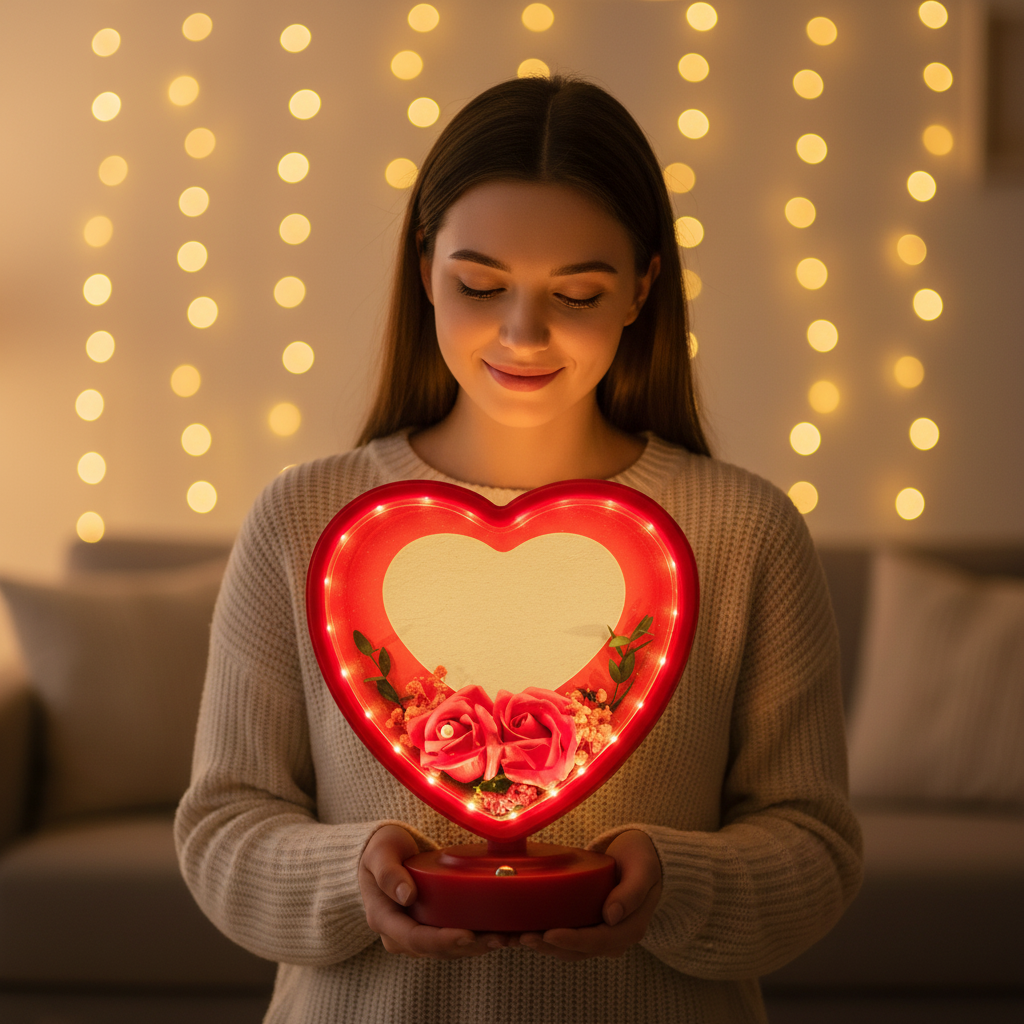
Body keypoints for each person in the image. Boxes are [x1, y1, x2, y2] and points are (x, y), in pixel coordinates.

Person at [175, 75, 862, 1023]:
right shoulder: (303, 521)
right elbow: (221, 827)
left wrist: (674, 879)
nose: (522, 333)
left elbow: (816, 846)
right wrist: (350, 876)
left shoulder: (742, 534)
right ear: (425, 271)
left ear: (643, 290)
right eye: (481, 285)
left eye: (576, 292)